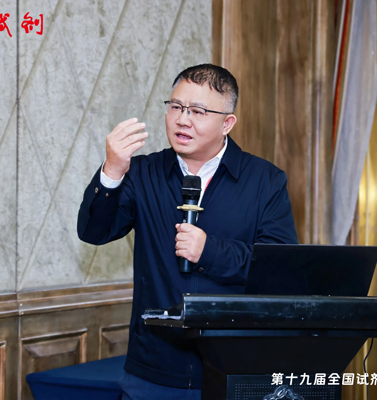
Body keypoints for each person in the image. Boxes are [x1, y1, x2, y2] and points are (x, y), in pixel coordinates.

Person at [77, 64, 298, 400]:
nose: (182, 119)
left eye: (197, 111)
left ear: (227, 123)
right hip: (154, 369)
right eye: (176, 107)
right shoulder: (144, 173)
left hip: (234, 368)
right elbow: (94, 232)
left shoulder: (265, 180)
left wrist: (209, 251)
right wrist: (112, 171)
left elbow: (278, 268)